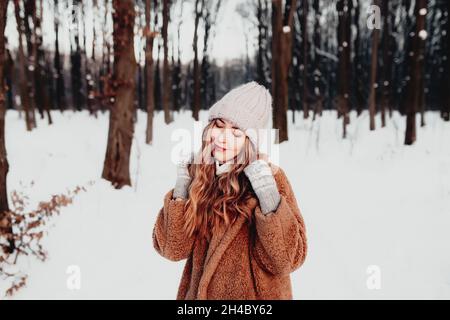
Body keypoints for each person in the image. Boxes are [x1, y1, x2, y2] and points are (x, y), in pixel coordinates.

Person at [152, 81, 308, 299]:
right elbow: (171, 249)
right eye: (219, 125)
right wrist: (182, 188)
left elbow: (288, 260)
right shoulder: (201, 176)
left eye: (236, 131)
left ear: (251, 141)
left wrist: (267, 194)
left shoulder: (272, 179)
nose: (222, 138)